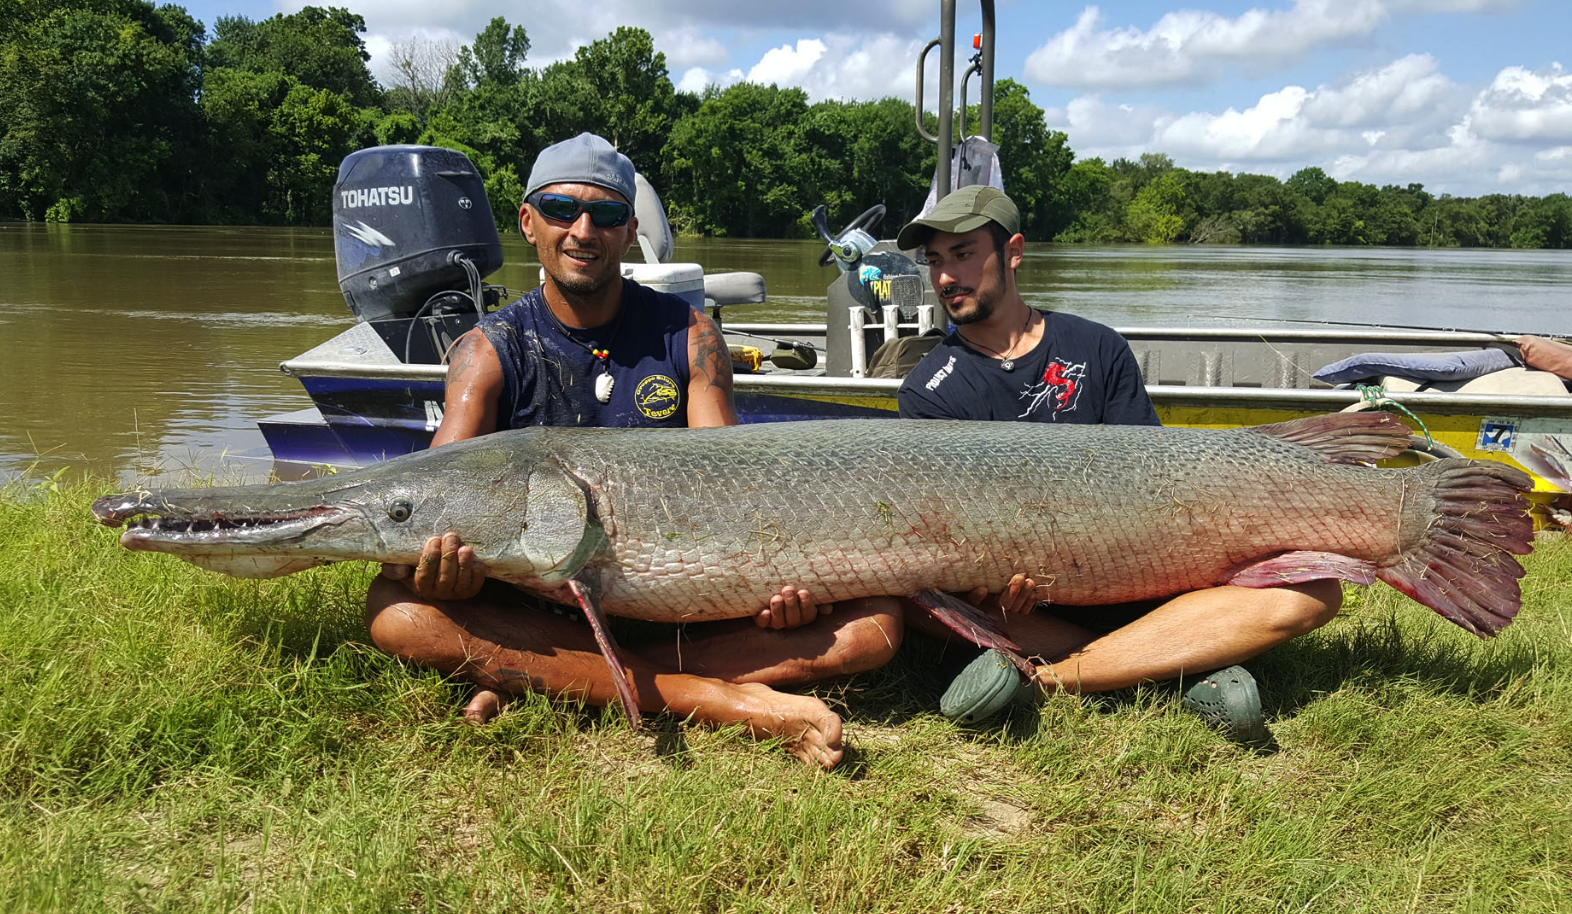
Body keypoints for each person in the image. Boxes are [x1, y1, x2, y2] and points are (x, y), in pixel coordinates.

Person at [365, 133, 911, 770]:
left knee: (875, 626)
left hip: (676, 598)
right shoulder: (487, 350)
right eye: (561, 209)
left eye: (608, 215)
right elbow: (433, 491)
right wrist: (439, 566)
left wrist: (777, 583)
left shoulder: (689, 334)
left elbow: (737, 480)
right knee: (397, 612)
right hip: (539, 603)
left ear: (629, 233)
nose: (583, 230)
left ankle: (553, 678)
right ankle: (711, 697)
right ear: (527, 222)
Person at [894, 186, 1343, 745]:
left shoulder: (1097, 346)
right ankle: (1178, 664)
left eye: (962, 253)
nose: (945, 278)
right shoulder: (928, 390)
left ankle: (1049, 679)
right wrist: (989, 586)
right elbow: (946, 536)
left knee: (1317, 592)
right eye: (935, 261)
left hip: (1137, 578)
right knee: (913, 600)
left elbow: (1151, 484)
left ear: (1012, 251)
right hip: (1026, 606)